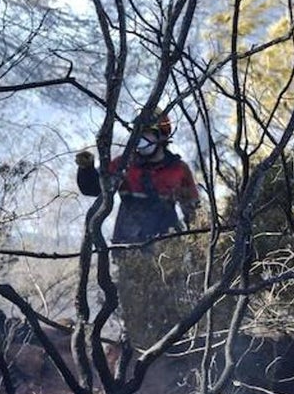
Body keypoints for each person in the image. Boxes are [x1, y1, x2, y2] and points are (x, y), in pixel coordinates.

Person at [75, 114, 200, 355]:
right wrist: (86, 168)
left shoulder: (178, 169)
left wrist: (196, 245)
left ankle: (169, 350)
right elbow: (93, 189)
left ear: (162, 136)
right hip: (128, 245)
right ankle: (131, 346)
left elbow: (193, 210)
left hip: (166, 245)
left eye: (148, 133)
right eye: (139, 133)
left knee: (168, 295)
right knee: (130, 297)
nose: (142, 139)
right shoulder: (123, 165)